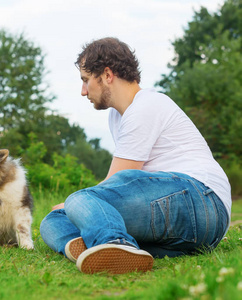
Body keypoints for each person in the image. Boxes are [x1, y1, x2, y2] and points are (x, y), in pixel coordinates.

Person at [39, 37, 231, 275]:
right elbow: (116, 190)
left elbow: (117, 181)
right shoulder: (117, 117)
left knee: (78, 201)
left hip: (199, 198)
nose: (83, 91)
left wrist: (76, 203)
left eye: (86, 80)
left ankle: (113, 243)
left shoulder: (146, 105)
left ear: (107, 75)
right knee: (50, 221)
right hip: (190, 232)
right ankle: (105, 248)